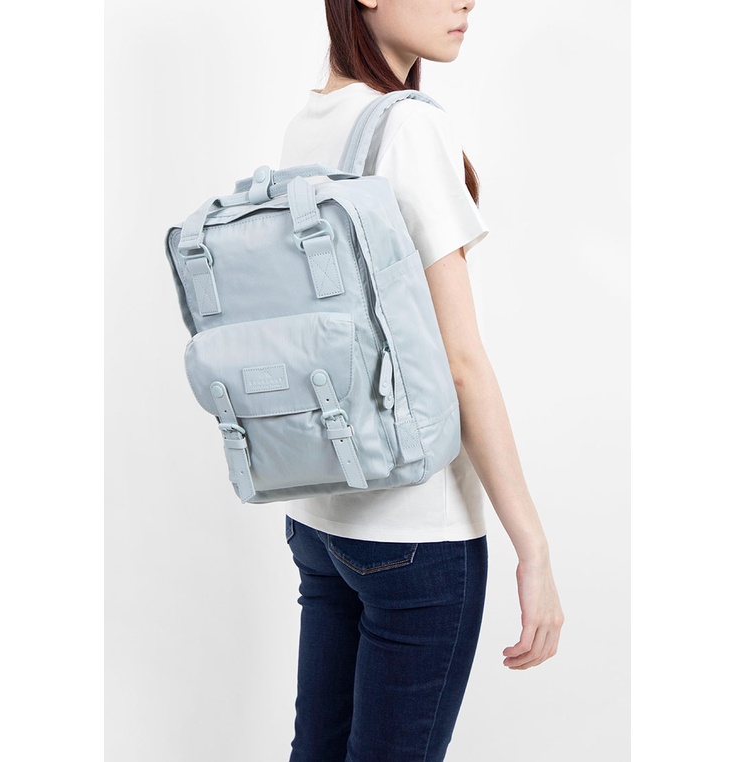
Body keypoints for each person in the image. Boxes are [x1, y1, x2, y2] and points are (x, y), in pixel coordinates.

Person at [278, 1, 565, 760]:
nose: (467, 1)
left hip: (320, 513)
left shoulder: (309, 121)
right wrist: (532, 547)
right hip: (414, 528)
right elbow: (461, 362)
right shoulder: (407, 127)